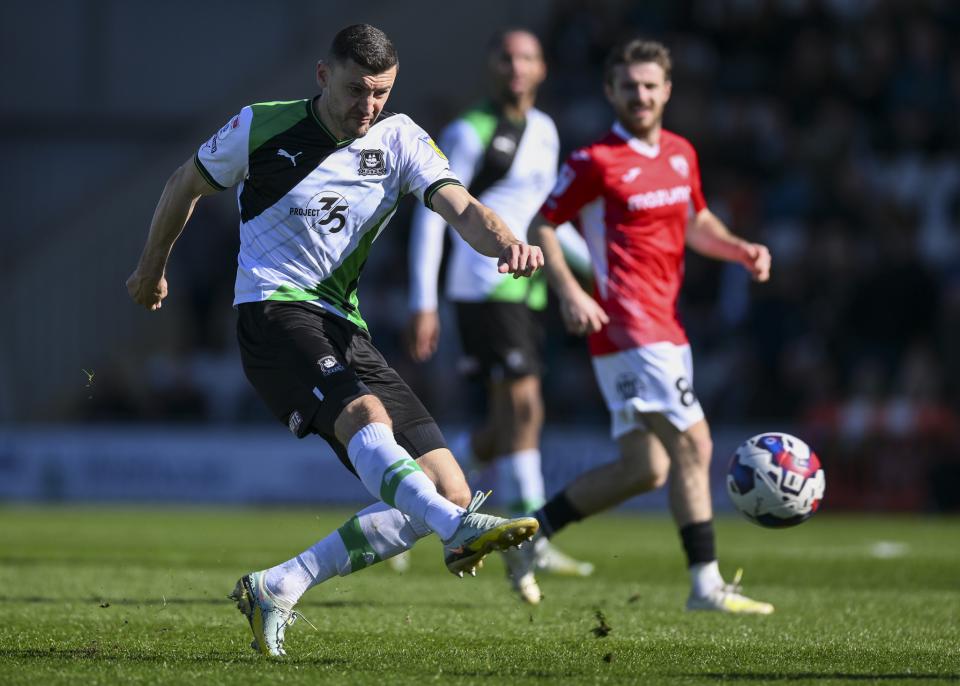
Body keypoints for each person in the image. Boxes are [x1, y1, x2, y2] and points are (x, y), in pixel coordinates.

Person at [126, 24, 544, 656]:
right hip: (272, 312)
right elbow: (184, 182)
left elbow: (462, 208)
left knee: (448, 487)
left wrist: (506, 241)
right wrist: (151, 268)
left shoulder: (400, 139)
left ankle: (280, 584)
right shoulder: (260, 127)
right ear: (323, 76)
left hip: (344, 326)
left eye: (380, 93)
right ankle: (457, 529)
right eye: (355, 90)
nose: (367, 106)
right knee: (367, 417)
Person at [504, 38, 775, 613]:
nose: (641, 96)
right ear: (610, 91)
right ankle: (705, 585)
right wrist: (571, 291)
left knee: (645, 468)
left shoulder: (680, 152)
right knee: (694, 442)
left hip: (667, 325)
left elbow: (697, 222)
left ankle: (529, 536)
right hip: (627, 325)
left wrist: (739, 249)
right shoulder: (594, 161)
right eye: (629, 86)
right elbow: (541, 223)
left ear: (667, 90)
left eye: (651, 86)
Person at [405, 29, 593, 600]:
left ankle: (412, 499)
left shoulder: (546, 130)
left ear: (542, 68)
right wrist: (423, 299)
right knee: (524, 407)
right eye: (507, 57)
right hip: (483, 285)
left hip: (528, 289)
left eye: (527, 57)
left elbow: (542, 216)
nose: (516, 67)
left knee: (505, 424)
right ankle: (532, 539)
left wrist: (594, 270)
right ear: (492, 65)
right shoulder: (468, 132)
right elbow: (433, 215)